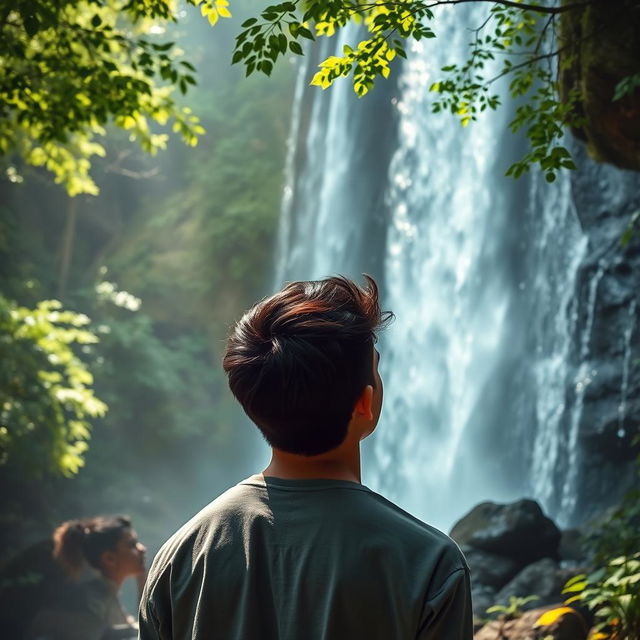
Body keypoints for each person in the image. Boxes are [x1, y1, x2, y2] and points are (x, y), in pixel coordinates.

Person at [139, 275, 473, 639]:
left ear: (251, 402)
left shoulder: (181, 557)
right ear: (365, 401)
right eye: (376, 368)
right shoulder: (429, 563)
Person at [27, 514, 147, 640]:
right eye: (132, 545)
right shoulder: (90, 602)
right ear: (109, 558)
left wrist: (143, 582)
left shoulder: (106, 595)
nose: (142, 549)